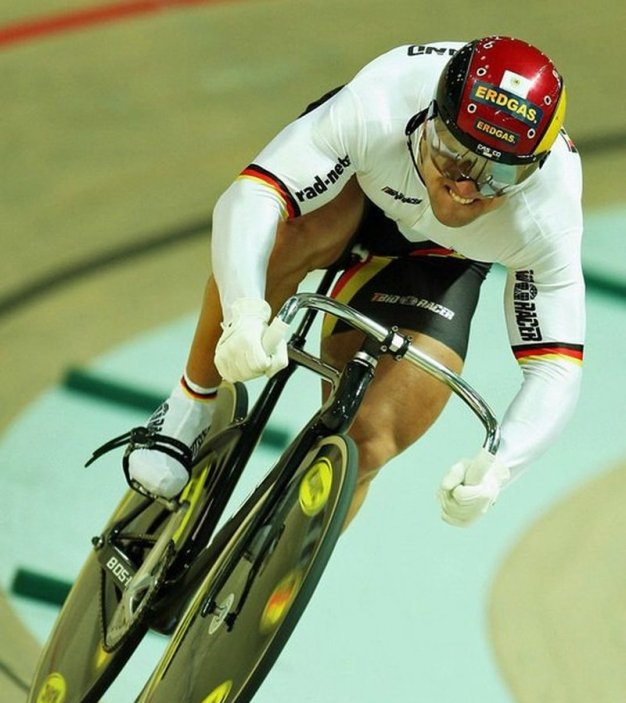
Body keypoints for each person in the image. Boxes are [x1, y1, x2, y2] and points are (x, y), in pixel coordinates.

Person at [124, 36, 585, 528]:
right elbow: (252, 196)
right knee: (288, 236)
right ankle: (189, 406)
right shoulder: (380, 103)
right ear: (431, 117)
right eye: (454, 154)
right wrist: (243, 312)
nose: (465, 187)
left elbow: (556, 366)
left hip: (444, 258)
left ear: (533, 168)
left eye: (498, 174)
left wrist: (500, 468)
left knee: (369, 440)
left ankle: (272, 563)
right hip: (356, 189)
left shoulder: (548, 211)